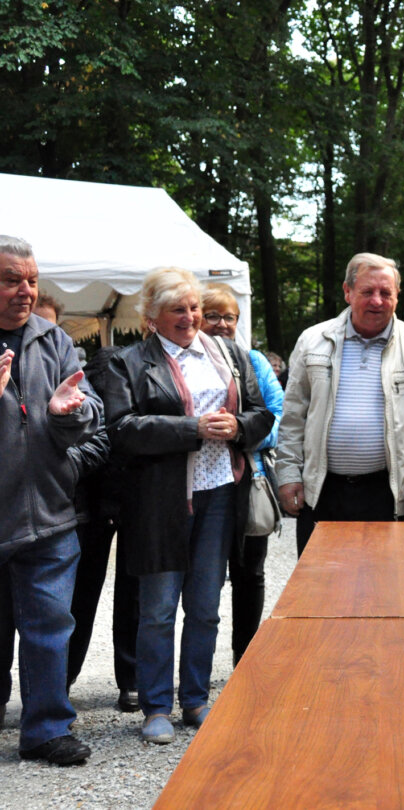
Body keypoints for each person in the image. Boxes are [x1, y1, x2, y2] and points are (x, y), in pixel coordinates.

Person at [106, 267, 273, 744]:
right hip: (160, 503)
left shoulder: (229, 353)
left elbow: (263, 415)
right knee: (158, 608)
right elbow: (121, 430)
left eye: (194, 307)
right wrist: (192, 429)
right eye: (178, 309)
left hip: (220, 492)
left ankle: (196, 699)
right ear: (151, 317)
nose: (191, 317)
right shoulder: (129, 361)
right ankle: (156, 705)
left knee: (205, 606)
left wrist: (237, 427)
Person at [0, 235, 98, 764]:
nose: (26, 290)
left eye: (32, 280)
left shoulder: (54, 339)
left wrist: (69, 414)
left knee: (49, 627)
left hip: (50, 514)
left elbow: (91, 416)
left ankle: (46, 729)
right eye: (12, 279)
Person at [276, 253, 404, 554]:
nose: (377, 301)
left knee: (387, 591)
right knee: (318, 589)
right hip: (322, 492)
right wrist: (288, 473)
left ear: (397, 297)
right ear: (348, 292)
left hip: (388, 493)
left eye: (386, 293)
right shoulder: (312, 341)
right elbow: (293, 416)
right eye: (368, 292)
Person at [199, 284, 284, 665]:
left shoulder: (253, 360)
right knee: (205, 577)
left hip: (250, 478)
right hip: (201, 482)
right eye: (211, 315)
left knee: (250, 573)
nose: (220, 324)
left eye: (228, 317)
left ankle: (244, 658)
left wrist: (241, 432)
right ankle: (198, 664)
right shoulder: (187, 359)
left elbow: (279, 416)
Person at [65, 345, 140, 714]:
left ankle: (130, 682)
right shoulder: (109, 366)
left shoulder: (145, 364)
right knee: (81, 594)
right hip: (94, 497)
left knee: (130, 593)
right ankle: (63, 679)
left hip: (132, 496)